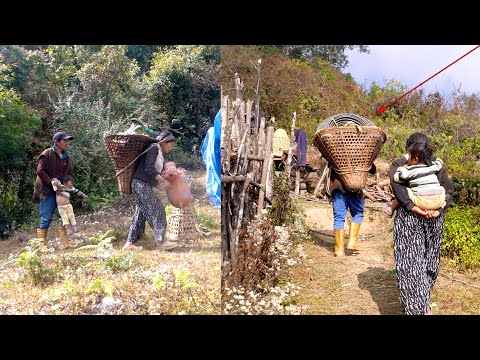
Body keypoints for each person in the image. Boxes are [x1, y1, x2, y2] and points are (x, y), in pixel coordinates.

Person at [389, 132, 454, 315]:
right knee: (416, 263)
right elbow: (448, 190)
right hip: (424, 217)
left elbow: (398, 188)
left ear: (408, 148)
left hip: (417, 216)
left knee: (424, 263)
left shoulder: (400, 165)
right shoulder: (435, 164)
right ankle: (418, 308)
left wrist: (414, 207)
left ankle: (420, 301)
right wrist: (438, 209)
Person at [123, 130, 179, 251]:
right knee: (158, 210)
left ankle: (129, 243)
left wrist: (165, 177)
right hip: (140, 184)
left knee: (140, 215)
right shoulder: (153, 148)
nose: (172, 147)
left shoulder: (159, 152)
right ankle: (161, 241)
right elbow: (149, 169)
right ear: (165, 142)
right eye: (171, 144)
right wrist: (164, 181)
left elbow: (154, 171)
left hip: (142, 185)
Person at [32, 131, 75, 250]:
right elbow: (40, 171)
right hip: (47, 190)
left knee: (65, 214)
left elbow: (67, 173)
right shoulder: (47, 153)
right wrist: (51, 182)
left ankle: (64, 242)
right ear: (57, 142)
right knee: (46, 217)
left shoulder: (66, 156)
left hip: (60, 190)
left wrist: (67, 184)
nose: (67, 143)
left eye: (67, 140)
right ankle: (42, 245)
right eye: (64, 140)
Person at [383, 141, 446, 218]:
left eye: (409, 156)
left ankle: (391, 208)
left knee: (406, 189)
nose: (407, 159)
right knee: (441, 188)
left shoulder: (410, 170)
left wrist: (402, 168)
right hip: (439, 201)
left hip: (421, 202)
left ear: (415, 159)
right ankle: (442, 205)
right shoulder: (433, 167)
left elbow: (396, 178)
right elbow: (440, 162)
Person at [329, 164, 376, 257]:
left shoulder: (335, 153)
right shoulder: (362, 154)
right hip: (356, 189)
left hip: (338, 188)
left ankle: (339, 250)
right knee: (358, 213)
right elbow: (372, 170)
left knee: (339, 218)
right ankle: (351, 243)